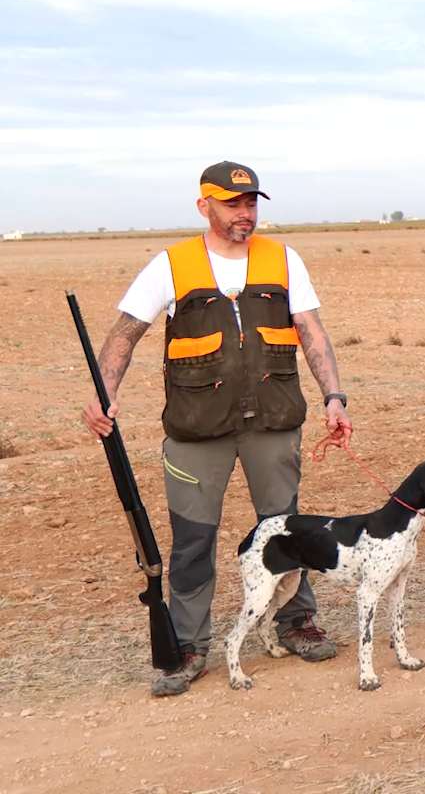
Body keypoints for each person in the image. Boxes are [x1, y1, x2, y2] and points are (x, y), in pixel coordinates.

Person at [80, 162, 352, 696]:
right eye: (232, 204)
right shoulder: (172, 264)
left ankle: (295, 622)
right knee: (191, 542)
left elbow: (311, 333)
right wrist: (103, 393)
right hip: (196, 429)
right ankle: (187, 646)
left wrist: (334, 396)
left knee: (286, 529)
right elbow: (123, 335)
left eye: (251, 203)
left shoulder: (283, 258)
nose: (244, 214)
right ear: (204, 205)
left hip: (273, 421)